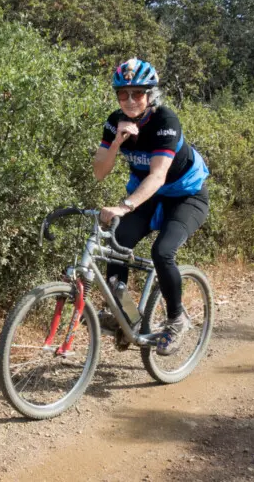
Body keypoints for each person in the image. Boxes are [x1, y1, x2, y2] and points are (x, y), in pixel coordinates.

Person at [93, 57, 210, 356]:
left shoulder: (165, 122)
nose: (130, 100)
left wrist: (124, 206)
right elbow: (99, 172)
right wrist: (117, 142)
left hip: (186, 196)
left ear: (151, 94)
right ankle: (124, 316)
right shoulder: (114, 121)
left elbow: (158, 176)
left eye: (138, 93)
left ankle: (176, 319)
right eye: (123, 94)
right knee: (117, 242)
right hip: (150, 196)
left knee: (163, 252)